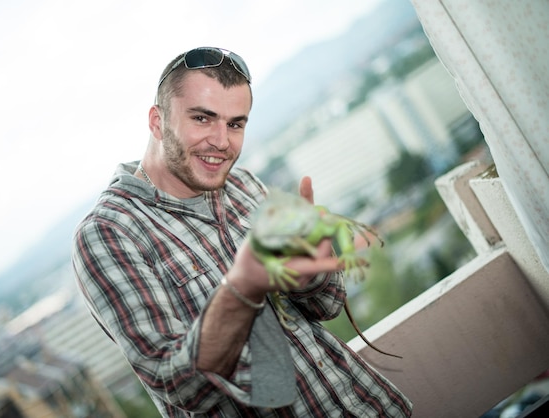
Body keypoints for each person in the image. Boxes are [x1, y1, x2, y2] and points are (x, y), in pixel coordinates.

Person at [72, 46, 412, 417]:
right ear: (157, 121)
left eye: (235, 124)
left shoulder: (244, 184)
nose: (222, 141)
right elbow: (179, 385)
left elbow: (325, 305)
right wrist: (243, 288)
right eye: (203, 119)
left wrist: (312, 263)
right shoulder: (108, 232)